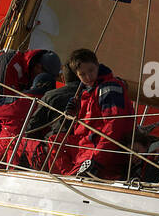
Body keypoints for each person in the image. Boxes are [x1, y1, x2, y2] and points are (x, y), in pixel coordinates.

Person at [53, 48, 136, 179]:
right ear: (77, 76)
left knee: (55, 145)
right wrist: (76, 115)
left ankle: (67, 180)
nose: (88, 77)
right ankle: (65, 179)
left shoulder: (109, 88)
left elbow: (114, 125)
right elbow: (88, 125)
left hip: (103, 152)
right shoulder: (88, 92)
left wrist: (98, 159)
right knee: (54, 142)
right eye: (82, 74)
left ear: (98, 65)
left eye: (91, 70)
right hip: (88, 147)